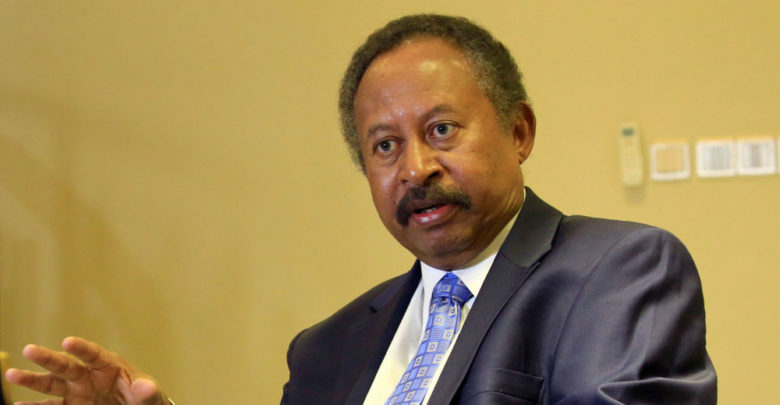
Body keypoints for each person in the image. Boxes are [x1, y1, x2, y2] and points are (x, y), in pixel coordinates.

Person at [5, 13, 716, 405]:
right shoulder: (327, 347)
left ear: (519, 130)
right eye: (384, 146)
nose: (415, 167)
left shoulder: (616, 270)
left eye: (442, 129)